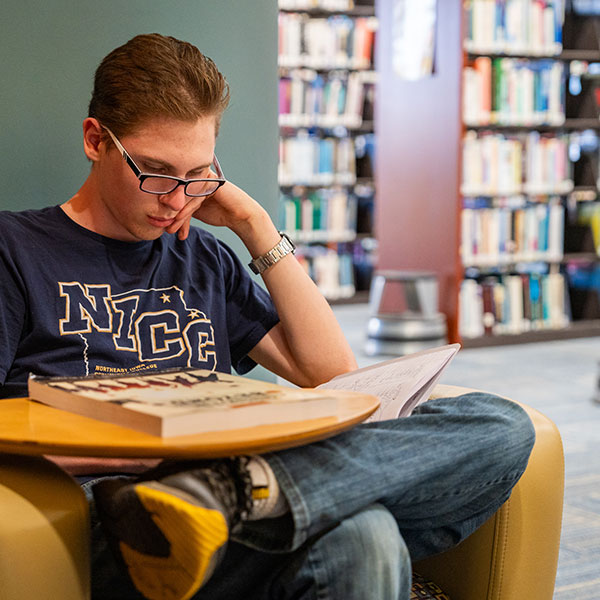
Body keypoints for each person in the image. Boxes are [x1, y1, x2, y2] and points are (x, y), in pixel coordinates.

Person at [0, 33, 536, 600]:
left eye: (199, 175)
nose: (178, 200)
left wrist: (254, 225)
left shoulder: (202, 257)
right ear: (94, 141)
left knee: (500, 424)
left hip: (237, 509)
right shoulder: (15, 249)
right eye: (155, 172)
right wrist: (154, 447)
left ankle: (242, 490)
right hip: (113, 514)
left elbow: (331, 375)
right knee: (366, 534)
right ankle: (248, 493)